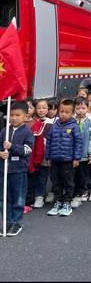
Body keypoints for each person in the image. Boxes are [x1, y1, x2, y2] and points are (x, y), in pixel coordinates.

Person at [0, 100, 34, 236]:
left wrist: (12, 147)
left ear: (25, 116)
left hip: (18, 170)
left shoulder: (27, 132)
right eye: (11, 115)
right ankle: (6, 222)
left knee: (18, 198)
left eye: (17, 115)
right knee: (4, 197)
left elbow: (27, 150)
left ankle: (16, 223)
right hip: (4, 170)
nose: (14, 118)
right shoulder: (4, 131)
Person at [45, 99, 83, 217]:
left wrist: (76, 158)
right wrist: (48, 157)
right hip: (55, 159)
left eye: (67, 112)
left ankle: (67, 202)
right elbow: (49, 142)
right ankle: (58, 201)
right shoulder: (54, 126)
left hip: (68, 160)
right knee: (55, 181)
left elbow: (78, 143)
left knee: (68, 182)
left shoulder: (74, 126)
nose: (63, 114)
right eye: (61, 111)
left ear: (72, 113)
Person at [71, 97, 91, 209]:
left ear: (87, 109)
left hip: (84, 155)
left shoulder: (90, 123)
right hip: (71, 156)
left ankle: (80, 192)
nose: (80, 110)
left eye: (83, 108)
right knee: (71, 175)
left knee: (82, 175)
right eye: (78, 108)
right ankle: (71, 193)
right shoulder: (71, 122)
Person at [28, 99, 53, 209]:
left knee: (43, 176)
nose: (41, 110)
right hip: (34, 153)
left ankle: (40, 196)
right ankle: (32, 195)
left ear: (48, 109)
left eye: (44, 108)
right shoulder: (32, 122)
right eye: (38, 108)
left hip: (45, 152)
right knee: (34, 175)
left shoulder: (50, 123)